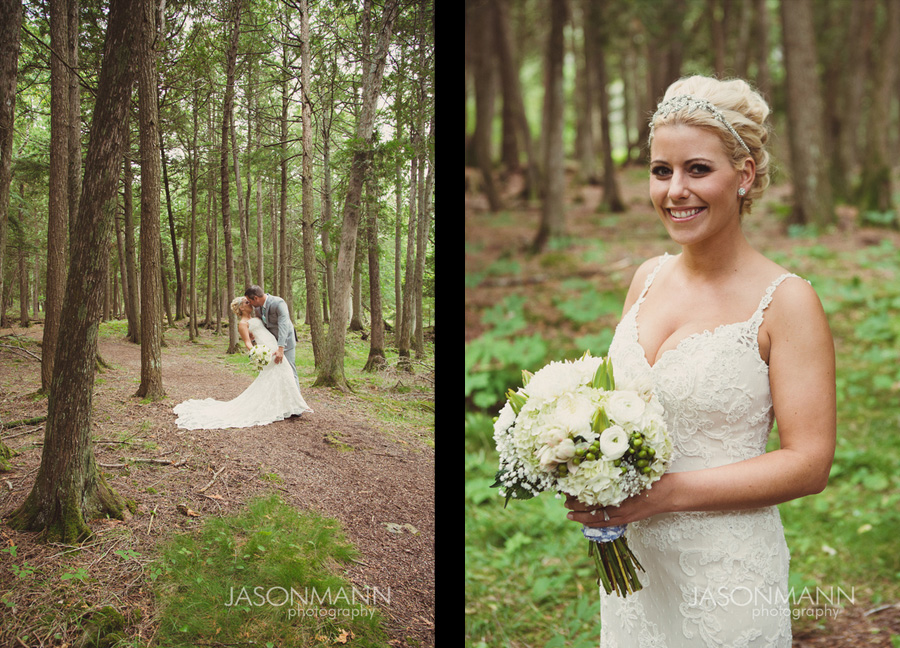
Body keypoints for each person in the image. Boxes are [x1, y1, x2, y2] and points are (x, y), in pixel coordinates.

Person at [563, 76, 836, 647]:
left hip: (727, 575)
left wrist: (666, 495)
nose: (675, 190)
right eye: (662, 171)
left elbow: (809, 463)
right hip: (636, 578)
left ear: (745, 174)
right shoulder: (646, 278)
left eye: (697, 169)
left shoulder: (786, 301)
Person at [173, 296, 312, 430]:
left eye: (249, 301)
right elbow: (247, 342)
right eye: (246, 302)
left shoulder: (257, 316)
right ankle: (289, 406)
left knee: (284, 374)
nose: (249, 303)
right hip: (266, 350)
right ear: (241, 307)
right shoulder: (242, 324)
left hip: (274, 345)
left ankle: (290, 405)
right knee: (274, 376)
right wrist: (257, 352)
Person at [244, 285, 300, 388]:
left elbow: (284, 326)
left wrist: (281, 348)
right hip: (272, 344)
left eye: (249, 301)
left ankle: (297, 400)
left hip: (285, 342)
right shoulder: (258, 309)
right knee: (277, 373)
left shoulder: (278, 303)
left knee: (290, 371)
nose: (249, 304)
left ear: (256, 298)